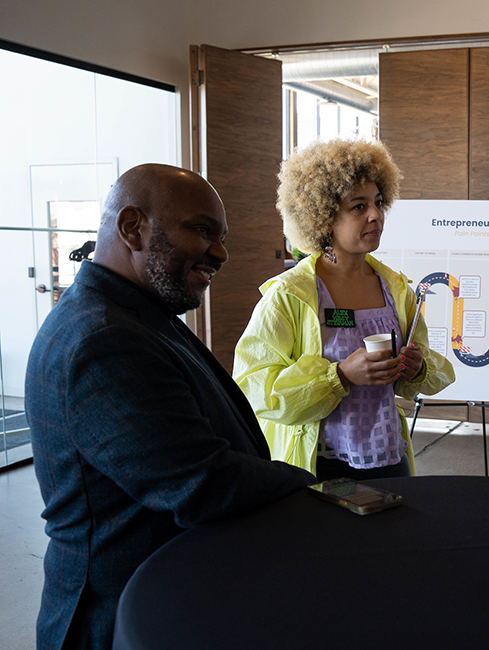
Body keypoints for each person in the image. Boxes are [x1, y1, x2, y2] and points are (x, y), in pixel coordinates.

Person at [26, 164, 316, 650]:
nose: (221, 253)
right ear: (132, 227)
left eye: (221, 236)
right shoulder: (104, 339)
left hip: (165, 595)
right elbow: (201, 484)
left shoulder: (135, 313)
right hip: (119, 620)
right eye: (203, 230)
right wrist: (309, 485)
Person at [233, 139, 455, 480]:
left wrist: (418, 367)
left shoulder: (396, 289)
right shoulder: (290, 296)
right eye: (358, 206)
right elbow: (252, 388)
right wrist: (339, 376)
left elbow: (425, 364)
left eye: (379, 203)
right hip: (318, 463)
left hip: (388, 456)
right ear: (323, 219)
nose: (376, 215)